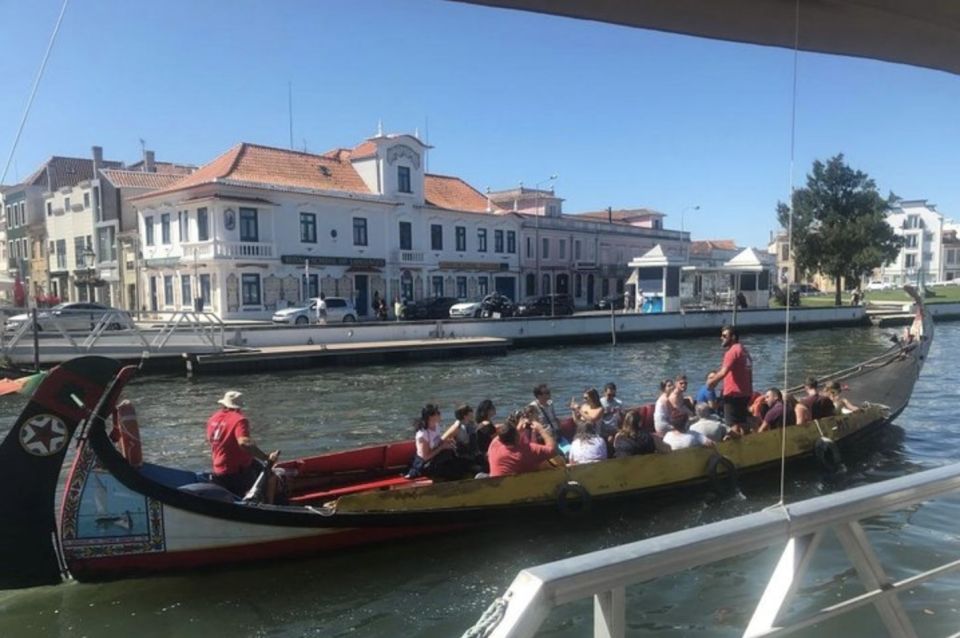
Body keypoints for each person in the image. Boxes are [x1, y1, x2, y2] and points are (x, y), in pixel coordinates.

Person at [205, 391, 280, 502]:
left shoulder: (212, 419)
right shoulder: (239, 420)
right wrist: (266, 457)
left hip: (218, 468)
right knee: (271, 475)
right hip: (236, 471)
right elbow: (244, 442)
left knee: (262, 469)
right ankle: (269, 504)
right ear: (239, 406)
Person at [707, 326, 753, 435]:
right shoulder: (744, 351)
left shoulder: (732, 352)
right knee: (742, 423)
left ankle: (736, 449)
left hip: (733, 394)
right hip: (745, 393)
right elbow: (750, 373)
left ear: (733, 337)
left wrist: (711, 383)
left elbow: (723, 372)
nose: (721, 338)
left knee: (732, 425)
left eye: (724, 336)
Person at [487, 412, 557, 477]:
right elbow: (552, 451)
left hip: (495, 485)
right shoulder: (525, 451)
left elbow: (502, 435)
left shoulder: (494, 445)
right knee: (542, 464)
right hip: (517, 487)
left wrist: (517, 429)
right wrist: (541, 429)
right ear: (517, 437)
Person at [408, 404, 464, 480]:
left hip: (436, 458)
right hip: (424, 464)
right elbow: (425, 457)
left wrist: (446, 442)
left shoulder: (436, 426)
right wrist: (441, 447)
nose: (440, 415)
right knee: (450, 466)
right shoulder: (422, 434)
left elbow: (437, 442)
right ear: (431, 417)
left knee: (454, 455)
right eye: (438, 413)